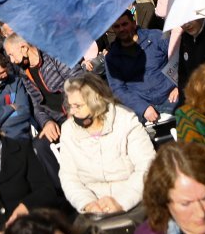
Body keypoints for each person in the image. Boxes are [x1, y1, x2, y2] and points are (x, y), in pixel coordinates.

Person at [58, 73, 155, 214]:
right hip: (94, 208)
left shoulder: (125, 120)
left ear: (95, 101)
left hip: (134, 202)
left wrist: (121, 202)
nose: (72, 112)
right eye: (70, 106)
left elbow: (147, 166)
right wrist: (88, 204)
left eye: (78, 106)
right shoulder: (68, 130)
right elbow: (69, 176)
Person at [104, 10, 177, 123]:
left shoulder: (156, 36)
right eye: (117, 26)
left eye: (124, 24)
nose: (121, 29)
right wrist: (143, 108)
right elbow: (118, 89)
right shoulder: (112, 58)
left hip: (170, 95)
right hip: (142, 104)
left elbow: (178, 58)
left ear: (133, 23)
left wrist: (178, 85)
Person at [3, 33, 78, 143]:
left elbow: (78, 80)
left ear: (24, 48)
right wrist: (46, 122)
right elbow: (36, 105)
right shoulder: (24, 73)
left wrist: (74, 108)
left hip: (77, 109)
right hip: (56, 120)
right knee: (40, 145)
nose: (12, 60)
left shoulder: (53, 55)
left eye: (12, 55)